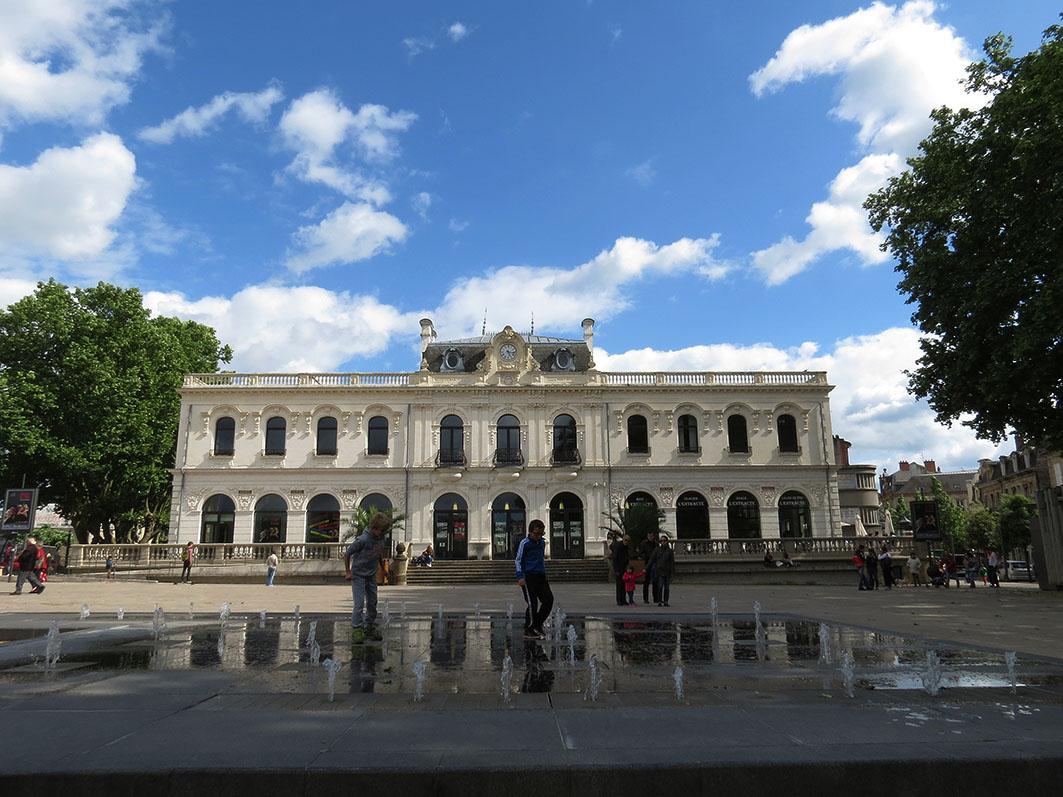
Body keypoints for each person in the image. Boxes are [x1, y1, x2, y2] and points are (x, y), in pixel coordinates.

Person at [345, 512, 392, 643]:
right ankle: (357, 628)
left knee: (372, 602)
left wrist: (383, 569)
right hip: (358, 575)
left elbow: (379, 553)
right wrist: (348, 571)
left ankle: (369, 626)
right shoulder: (363, 540)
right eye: (381, 531)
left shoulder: (381, 538)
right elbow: (347, 554)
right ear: (374, 528)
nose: (383, 534)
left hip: (371, 575)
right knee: (359, 604)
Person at [515, 519, 553, 638]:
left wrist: (544, 573)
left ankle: (537, 624)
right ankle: (529, 628)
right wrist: (520, 576)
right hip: (528, 577)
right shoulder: (525, 543)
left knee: (548, 600)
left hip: (540, 576)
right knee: (532, 604)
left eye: (541, 534)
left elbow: (540, 559)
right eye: (536, 534)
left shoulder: (542, 542)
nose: (538, 536)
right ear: (530, 532)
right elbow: (518, 560)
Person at [648, 534, 675, 607]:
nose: (663, 542)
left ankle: (666, 601)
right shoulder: (657, 550)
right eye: (662, 541)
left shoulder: (670, 551)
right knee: (660, 587)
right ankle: (659, 600)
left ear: (667, 541)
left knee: (666, 588)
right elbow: (652, 559)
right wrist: (647, 568)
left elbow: (672, 562)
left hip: (667, 571)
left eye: (664, 541)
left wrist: (672, 573)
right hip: (659, 571)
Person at [638, 530, 659, 604]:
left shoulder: (656, 543)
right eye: (649, 536)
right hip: (647, 564)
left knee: (655, 582)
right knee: (646, 582)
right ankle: (645, 598)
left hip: (654, 564)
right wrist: (646, 557)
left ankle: (656, 598)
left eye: (652, 536)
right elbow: (640, 553)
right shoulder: (644, 543)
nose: (650, 537)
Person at [611, 533, 631, 606]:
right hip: (619, 568)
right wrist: (616, 570)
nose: (627, 542)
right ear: (623, 539)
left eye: (628, 541)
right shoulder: (618, 546)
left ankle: (623, 599)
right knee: (619, 585)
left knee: (624, 585)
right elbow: (615, 559)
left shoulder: (626, 547)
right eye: (626, 540)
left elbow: (627, 557)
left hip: (624, 568)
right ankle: (619, 600)